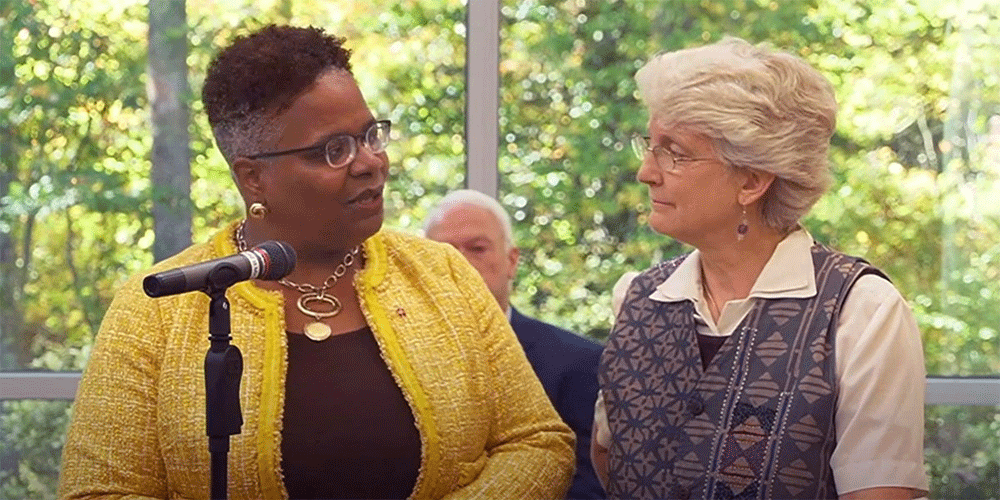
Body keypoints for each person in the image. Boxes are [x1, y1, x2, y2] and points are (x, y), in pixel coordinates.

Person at [58, 24, 575, 500]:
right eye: (334, 150)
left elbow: (537, 441)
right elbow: (98, 490)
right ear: (252, 177)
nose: (370, 162)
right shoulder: (156, 308)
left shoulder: (442, 274)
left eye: (371, 135)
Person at [591, 37, 928, 500]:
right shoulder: (636, 298)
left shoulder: (862, 313)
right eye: (649, 146)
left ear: (751, 180)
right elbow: (611, 462)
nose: (646, 172)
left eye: (674, 152)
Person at [424, 189, 606, 500]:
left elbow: (591, 485)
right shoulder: (395, 359)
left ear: (511, 261)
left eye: (477, 249)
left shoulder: (581, 362)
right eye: (444, 253)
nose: (459, 264)